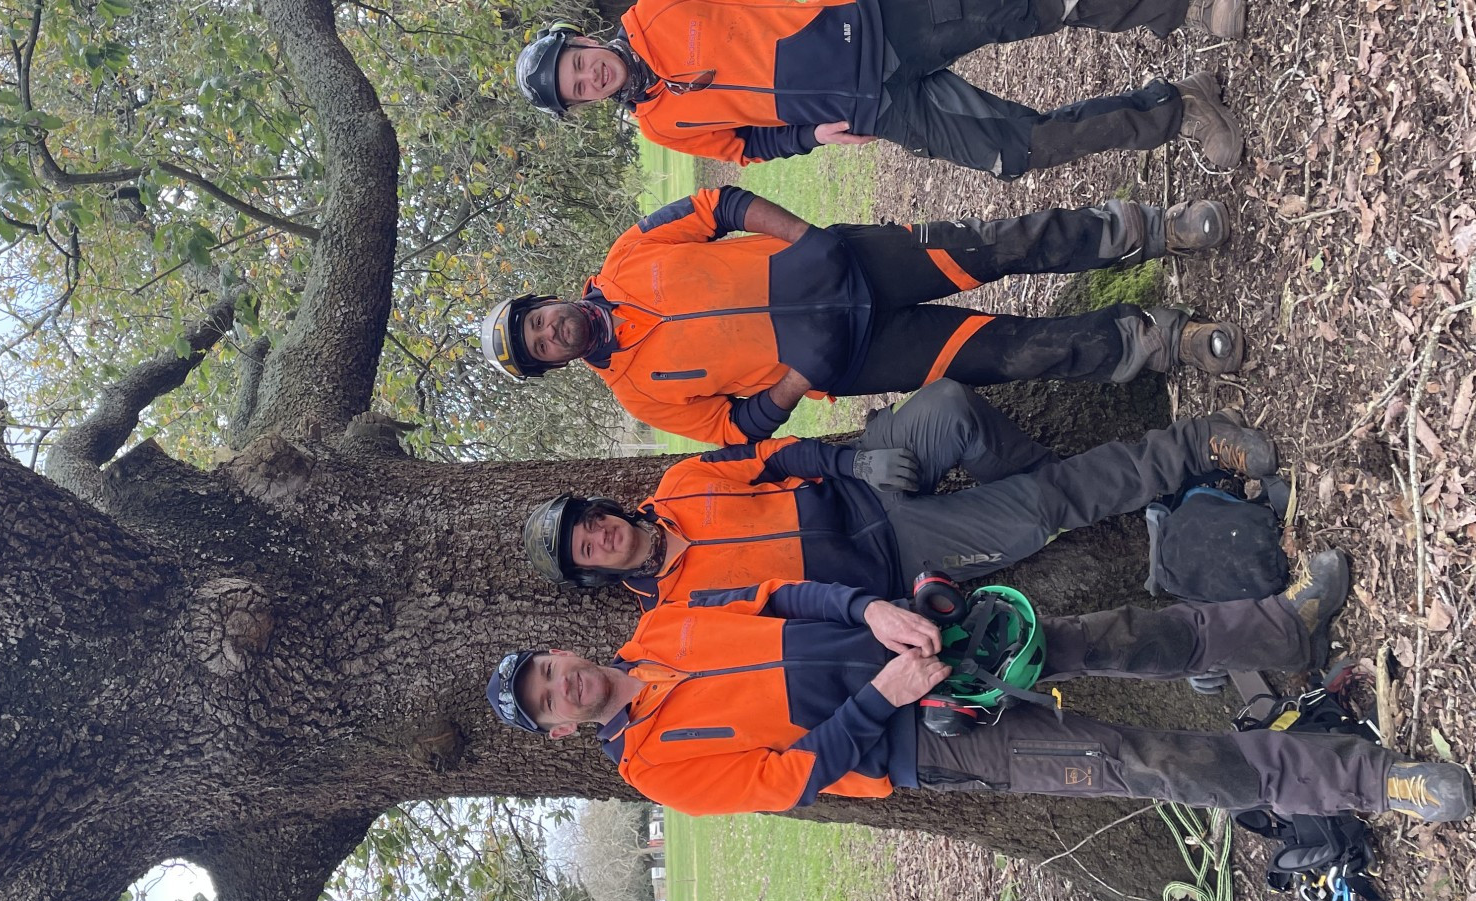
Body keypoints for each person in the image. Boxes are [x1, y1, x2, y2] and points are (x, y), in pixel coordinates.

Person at [483, 566, 1474, 823]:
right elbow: (787, 779)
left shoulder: (655, 627)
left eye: (546, 667)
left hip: (929, 641)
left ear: (565, 648)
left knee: (1108, 635)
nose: (561, 683)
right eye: (547, 700)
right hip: (927, 742)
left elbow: (781, 595)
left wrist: (871, 610)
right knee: (1136, 762)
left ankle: (1282, 625)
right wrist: (882, 697)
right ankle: (1366, 783)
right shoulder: (654, 770)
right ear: (567, 729)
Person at [514, 0, 1247, 177]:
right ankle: (1180, 109)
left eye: (577, 65)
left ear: (582, 39)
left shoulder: (658, 0)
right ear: (582, 106)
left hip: (875, 28)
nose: (589, 79)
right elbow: (745, 147)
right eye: (577, 92)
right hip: (877, 113)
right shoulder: (661, 126)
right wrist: (810, 140)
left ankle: (1179, 2)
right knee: (1015, 152)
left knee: (1029, 7)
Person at [480, 185, 1244, 447]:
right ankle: (1158, 340)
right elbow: (734, 429)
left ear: (543, 300)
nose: (550, 332)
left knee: (1002, 245)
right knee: (1012, 353)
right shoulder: (638, 394)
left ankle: (1147, 229)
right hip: (855, 354)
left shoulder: (629, 253)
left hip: (845, 260)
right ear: (554, 363)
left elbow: (721, 205)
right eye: (540, 348)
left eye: (536, 320)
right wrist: (795, 382)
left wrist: (807, 238)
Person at [518, 380, 1275, 607]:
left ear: (604, 507)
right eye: (588, 550)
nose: (601, 535)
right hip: (896, 561)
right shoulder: (675, 617)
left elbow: (779, 457)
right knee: (1040, 509)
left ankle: (1135, 480)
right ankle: (1187, 452)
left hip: (869, 479)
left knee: (948, 407)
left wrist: (857, 465)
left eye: (590, 522)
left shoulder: (681, 484)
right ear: (597, 573)